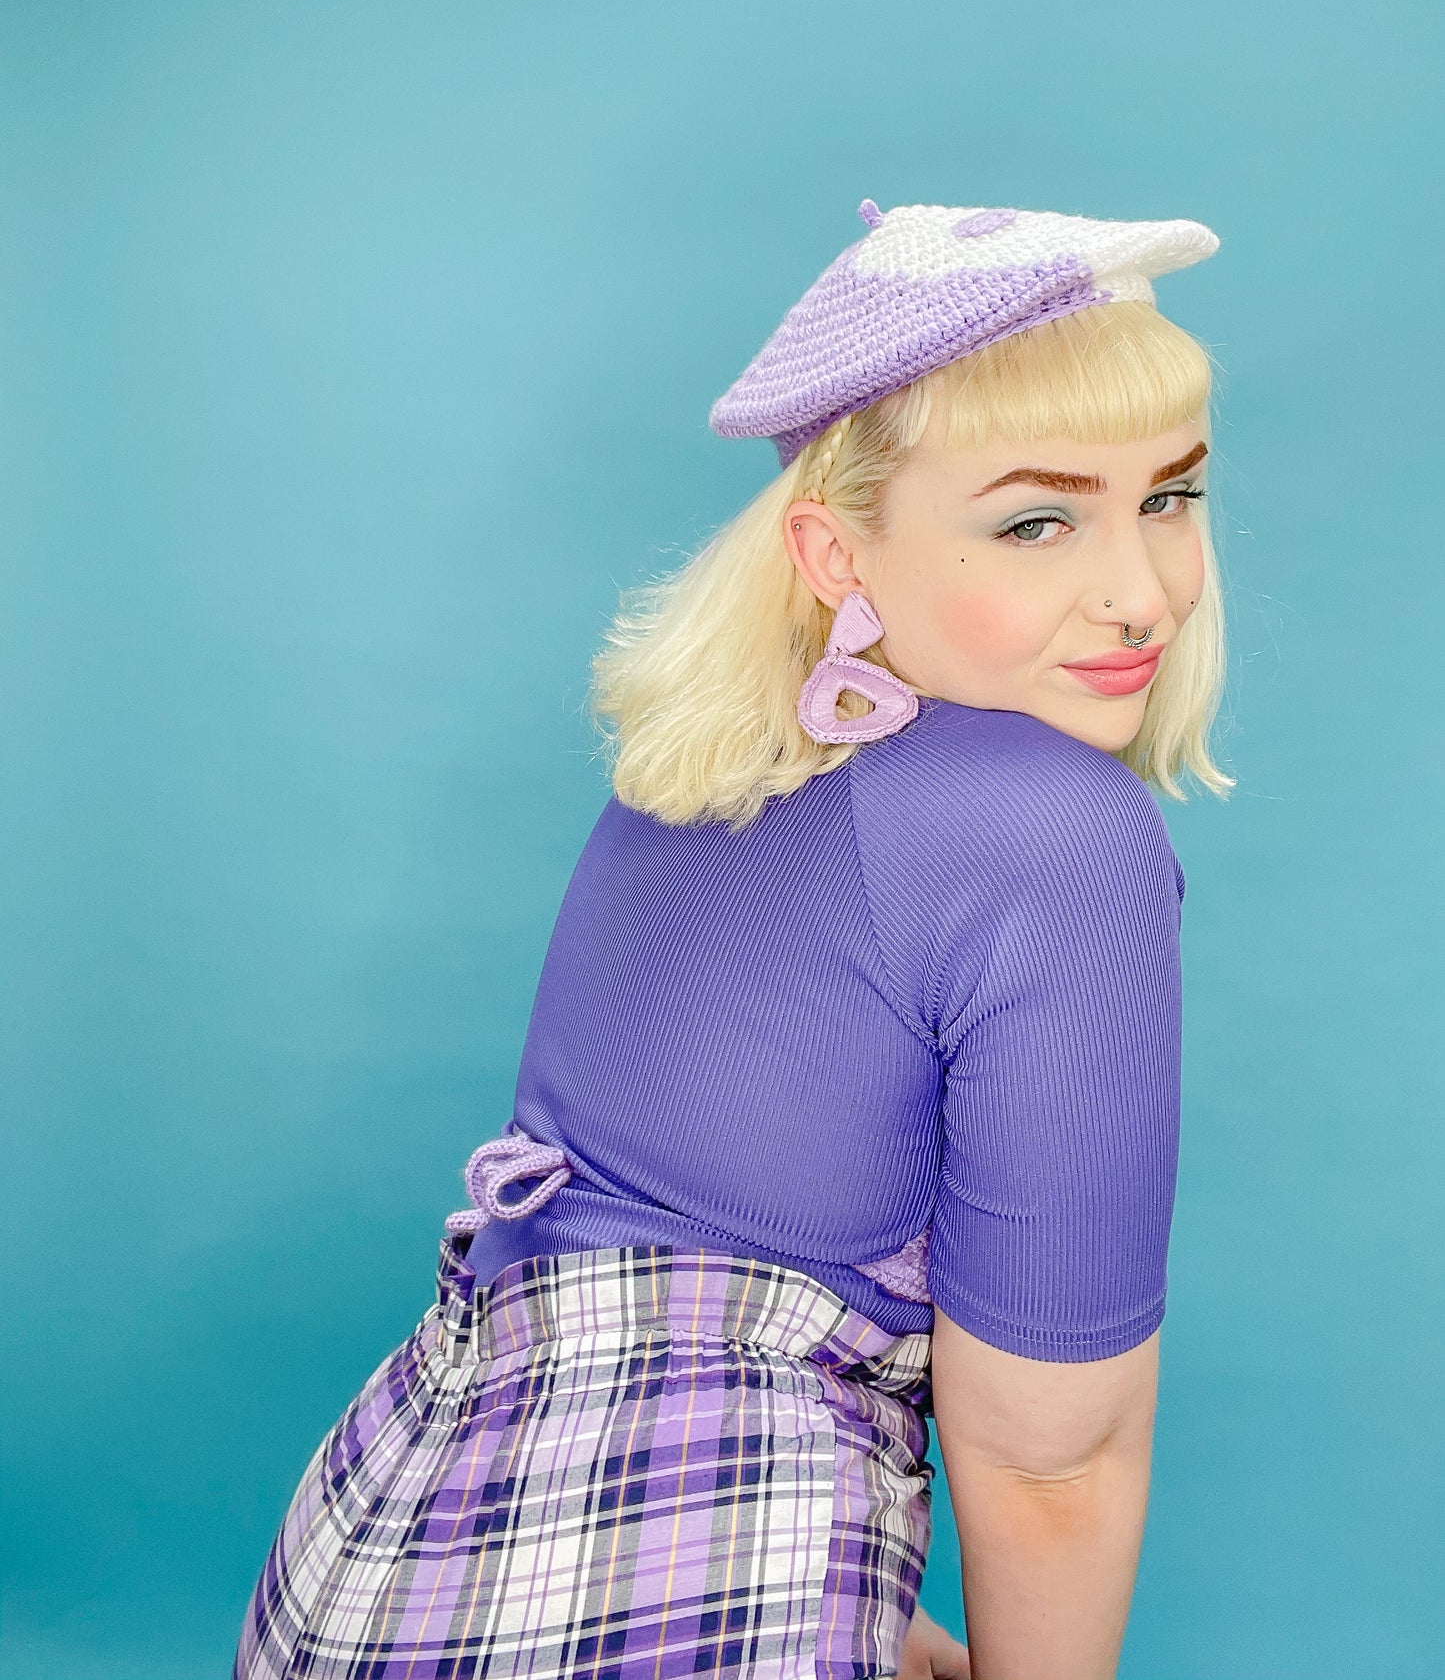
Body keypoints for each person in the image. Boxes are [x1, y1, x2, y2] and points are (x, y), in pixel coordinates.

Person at [234, 199, 1230, 1680]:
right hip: (662, 1565)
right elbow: (1051, 1458)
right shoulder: (1050, 832)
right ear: (837, 552)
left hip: (375, 1562)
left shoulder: (699, 775)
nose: (1140, 590)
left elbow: (641, 1325)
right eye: (1036, 518)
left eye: (1166, 496)